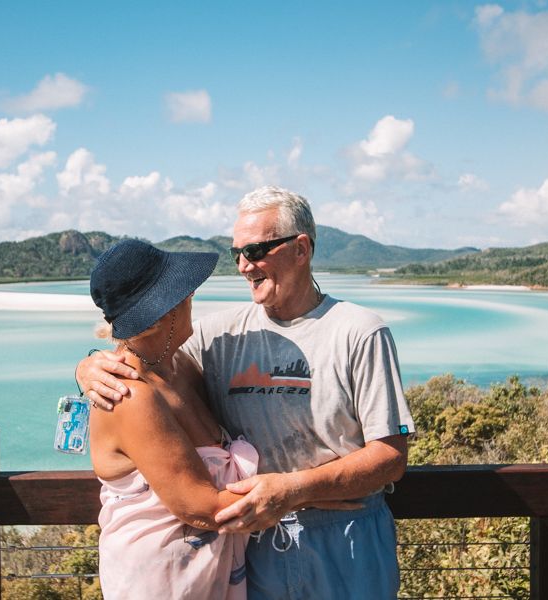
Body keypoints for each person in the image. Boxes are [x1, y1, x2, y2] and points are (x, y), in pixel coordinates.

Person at [79, 186, 415, 599]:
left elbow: (390, 456)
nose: (243, 265)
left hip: (343, 538)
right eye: (236, 252)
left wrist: (298, 491)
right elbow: (139, 364)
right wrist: (89, 366)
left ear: (301, 249)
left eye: (255, 250)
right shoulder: (215, 336)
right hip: (252, 544)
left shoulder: (359, 331)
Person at [86, 239, 260, 599]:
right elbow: (203, 508)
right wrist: (306, 494)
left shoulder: (181, 366)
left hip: (203, 576)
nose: (191, 294)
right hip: (161, 582)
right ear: (158, 316)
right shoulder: (129, 395)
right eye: (182, 292)